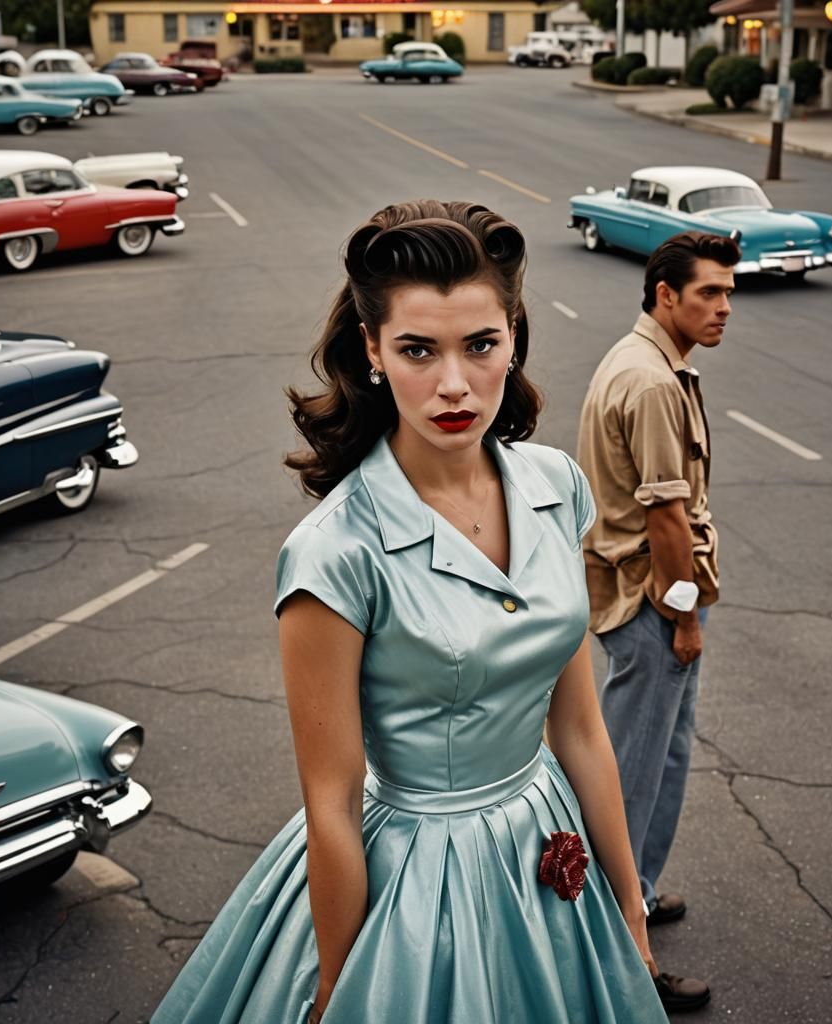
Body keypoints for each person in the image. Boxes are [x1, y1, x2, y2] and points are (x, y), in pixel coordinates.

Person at [152, 200, 699, 1023]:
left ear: (513, 335)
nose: (454, 384)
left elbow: (581, 727)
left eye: (480, 344)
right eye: (417, 349)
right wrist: (342, 981)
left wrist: (628, 902)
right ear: (372, 351)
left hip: (548, 844)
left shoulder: (556, 487)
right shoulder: (334, 552)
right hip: (414, 884)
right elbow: (331, 800)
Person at [577, 231, 739, 1011]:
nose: (724, 308)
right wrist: (684, 618)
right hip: (650, 601)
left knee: (663, 760)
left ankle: (633, 888)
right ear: (664, 294)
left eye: (728, 293)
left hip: (650, 598)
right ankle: (619, 950)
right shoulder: (649, 382)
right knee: (631, 781)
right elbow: (668, 519)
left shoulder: (657, 365)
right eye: (709, 293)